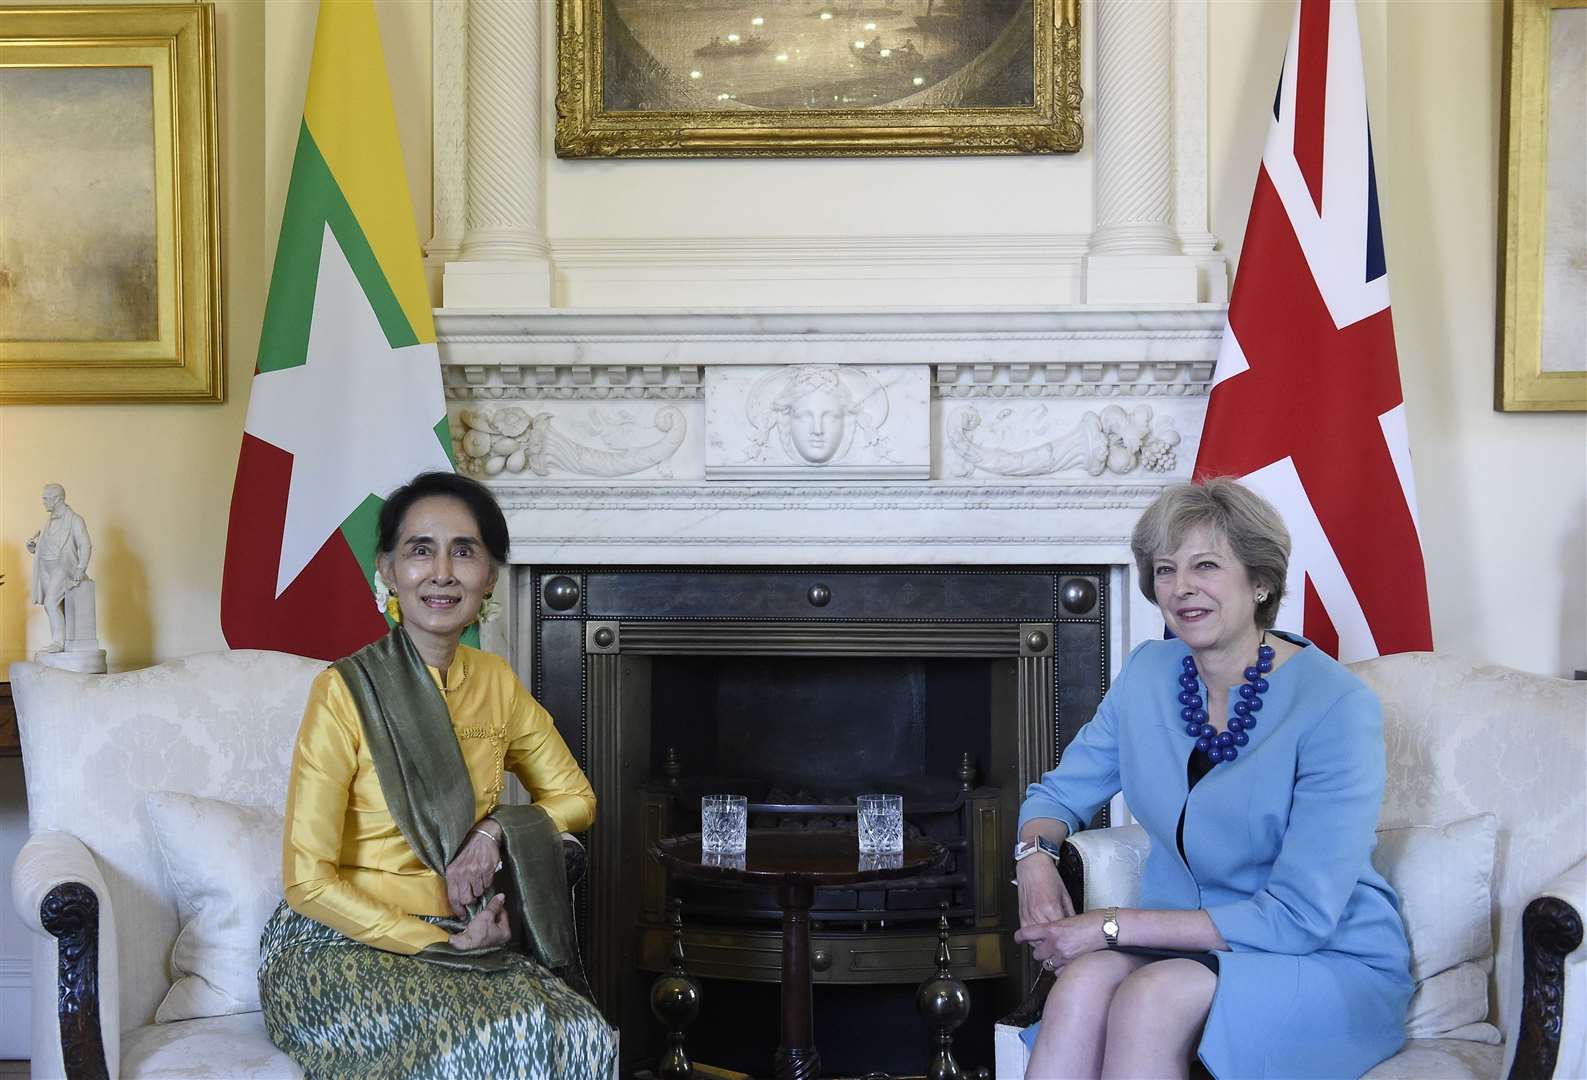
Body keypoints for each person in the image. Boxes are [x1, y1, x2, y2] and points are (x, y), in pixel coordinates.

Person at [1012, 478, 1411, 1079]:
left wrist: (1111, 925)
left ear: (1261, 582)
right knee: (1082, 984)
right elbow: (1057, 795)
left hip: (1321, 955)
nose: (1182, 589)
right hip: (1184, 941)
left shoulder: (1336, 707)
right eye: (1166, 570)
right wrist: (1035, 861)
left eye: (1206, 566)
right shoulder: (1149, 673)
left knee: (1151, 997)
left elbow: (1300, 916)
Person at [258, 471, 617, 1078]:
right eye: (420, 550)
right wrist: (436, 943)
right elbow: (306, 883)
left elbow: (577, 798)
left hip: (464, 930)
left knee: (581, 1030)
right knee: (508, 1036)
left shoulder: (496, 684)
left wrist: (492, 831)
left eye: (465, 550)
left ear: (491, 577)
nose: (442, 571)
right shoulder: (345, 691)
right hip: (334, 944)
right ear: (389, 572)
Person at [26, 483, 91, 652]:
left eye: (46, 499)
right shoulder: (48, 521)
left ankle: (58, 642)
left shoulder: (75, 520)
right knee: (56, 606)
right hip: (46, 570)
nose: (43, 502)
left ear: (58, 499)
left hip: (63, 568)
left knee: (50, 603)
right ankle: (64, 641)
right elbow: (48, 543)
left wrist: (80, 568)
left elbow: (85, 544)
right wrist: (34, 548)